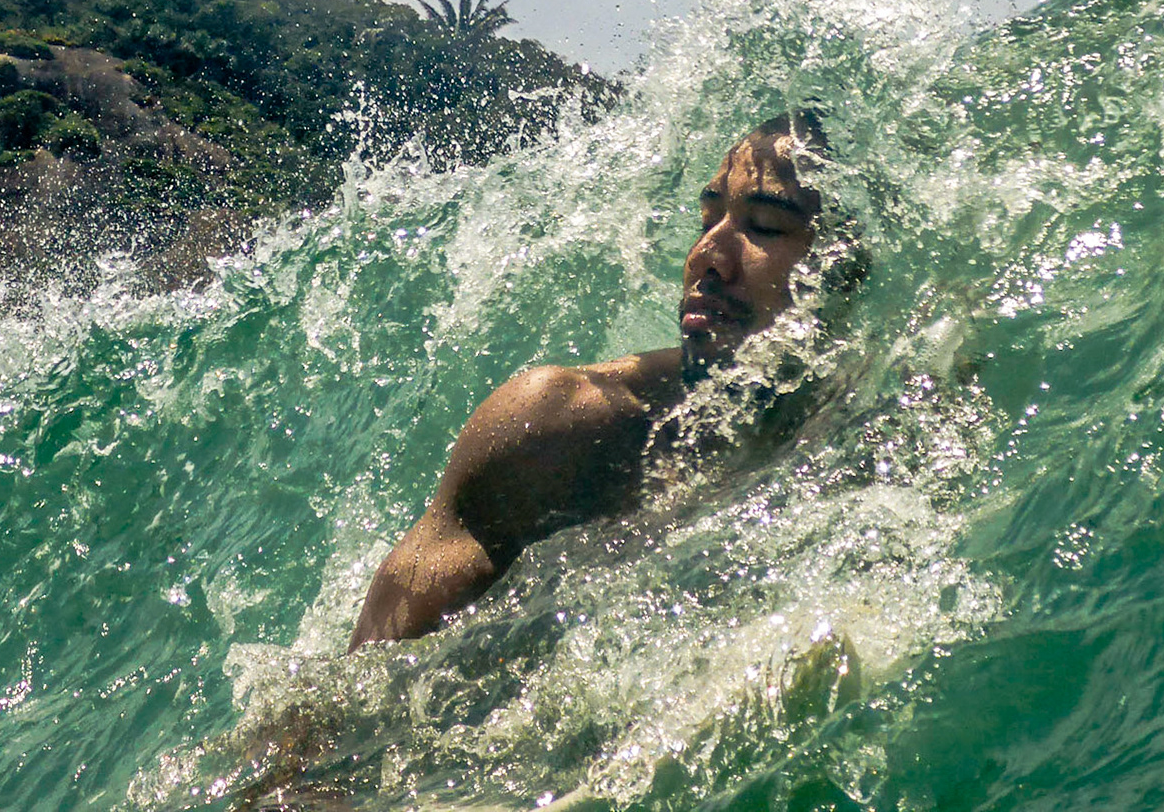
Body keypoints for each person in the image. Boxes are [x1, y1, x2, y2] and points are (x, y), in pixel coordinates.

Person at [349, 112, 837, 649]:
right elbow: (345, 698)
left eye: (764, 227)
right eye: (707, 221)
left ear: (846, 267)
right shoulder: (559, 424)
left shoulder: (866, 425)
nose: (705, 257)